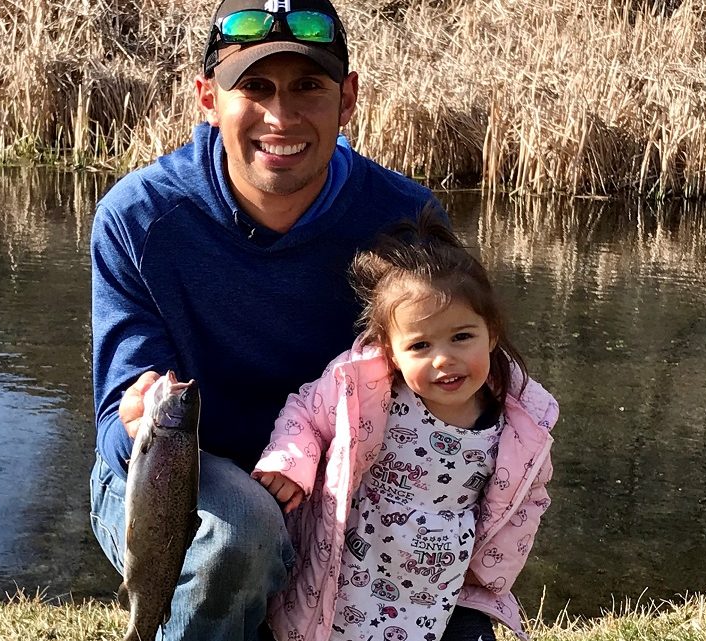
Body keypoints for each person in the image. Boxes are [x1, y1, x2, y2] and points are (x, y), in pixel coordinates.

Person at [88, 0, 446, 638]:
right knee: (241, 534)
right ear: (207, 97)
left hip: (339, 473)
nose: (281, 115)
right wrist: (136, 419)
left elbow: (452, 391)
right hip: (182, 477)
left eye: (309, 86)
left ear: (349, 98)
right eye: (254, 86)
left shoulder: (407, 219)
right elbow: (119, 437)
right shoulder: (139, 217)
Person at [252, 211, 558, 641]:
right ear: (390, 353)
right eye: (420, 345)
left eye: (462, 337)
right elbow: (305, 413)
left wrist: (492, 569)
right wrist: (290, 464)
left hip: (438, 583)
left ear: (491, 334)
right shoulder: (365, 390)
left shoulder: (521, 422)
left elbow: (528, 499)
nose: (443, 359)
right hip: (351, 569)